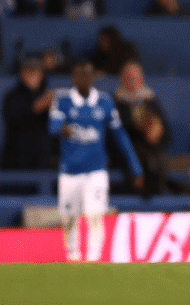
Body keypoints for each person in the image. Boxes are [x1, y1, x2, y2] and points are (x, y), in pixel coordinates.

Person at [48, 60, 144, 262]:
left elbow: (120, 136)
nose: (83, 78)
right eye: (79, 74)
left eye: (87, 74)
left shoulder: (104, 101)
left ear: (93, 78)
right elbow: (52, 126)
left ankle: (94, 259)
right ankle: (73, 255)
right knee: (69, 217)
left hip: (96, 169)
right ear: (74, 78)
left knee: (95, 214)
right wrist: (60, 128)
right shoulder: (63, 100)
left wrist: (135, 166)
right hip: (70, 170)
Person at [113, 61, 170, 195]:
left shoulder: (150, 100)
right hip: (124, 153)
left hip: (151, 151)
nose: (133, 80)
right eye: (129, 77)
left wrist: (157, 132)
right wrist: (138, 127)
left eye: (136, 77)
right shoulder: (115, 101)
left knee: (156, 161)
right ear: (122, 78)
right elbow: (114, 134)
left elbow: (166, 133)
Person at [2, 57, 54, 169]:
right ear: (22, 73)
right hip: (18, 158)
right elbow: (14, 118)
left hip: (42, 158)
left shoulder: (48, 94)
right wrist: (39, 105)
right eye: (28, 71)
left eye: (36, 71)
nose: (32, 75)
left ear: (41, 74)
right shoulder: (13, 96)